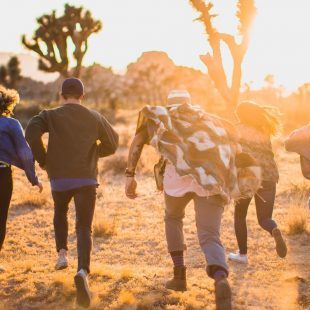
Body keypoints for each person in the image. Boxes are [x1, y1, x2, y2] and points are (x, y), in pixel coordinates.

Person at [125, 90, 260, 310]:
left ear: (169, 104)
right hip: (209, 179)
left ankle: (179, 276)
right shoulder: (210, 120)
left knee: (173, 218)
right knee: (209, 234)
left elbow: (138, 140)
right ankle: (220, 277)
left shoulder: (163, 117)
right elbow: (234, 145)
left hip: (175, 180)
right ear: (190, 103)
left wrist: (130, 175)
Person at [25, 78, 119, 308]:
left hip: (59, 178)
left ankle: (62, 255)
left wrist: (44, 159)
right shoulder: (94, 116)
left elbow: (30, 133)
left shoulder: (49, 115)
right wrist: (94, 152)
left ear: (61, 95)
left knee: (60, 212)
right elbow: (114, 143)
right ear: (82, 95)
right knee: (84, 226)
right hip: (86, 177)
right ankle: (83, 271)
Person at [228, 101, 287, 264]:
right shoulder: (264, 130)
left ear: (241, 115)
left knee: (240, 215)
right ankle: (273, 229)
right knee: (265, 218)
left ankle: (243, 255)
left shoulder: (237, 129)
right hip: (269, 175)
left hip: (247, 176)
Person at [0, 86, 42, 272]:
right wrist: (33, 178)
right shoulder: (11, 124)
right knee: (0, 218)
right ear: (8, 103)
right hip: (2, 174)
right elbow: (25, 153)